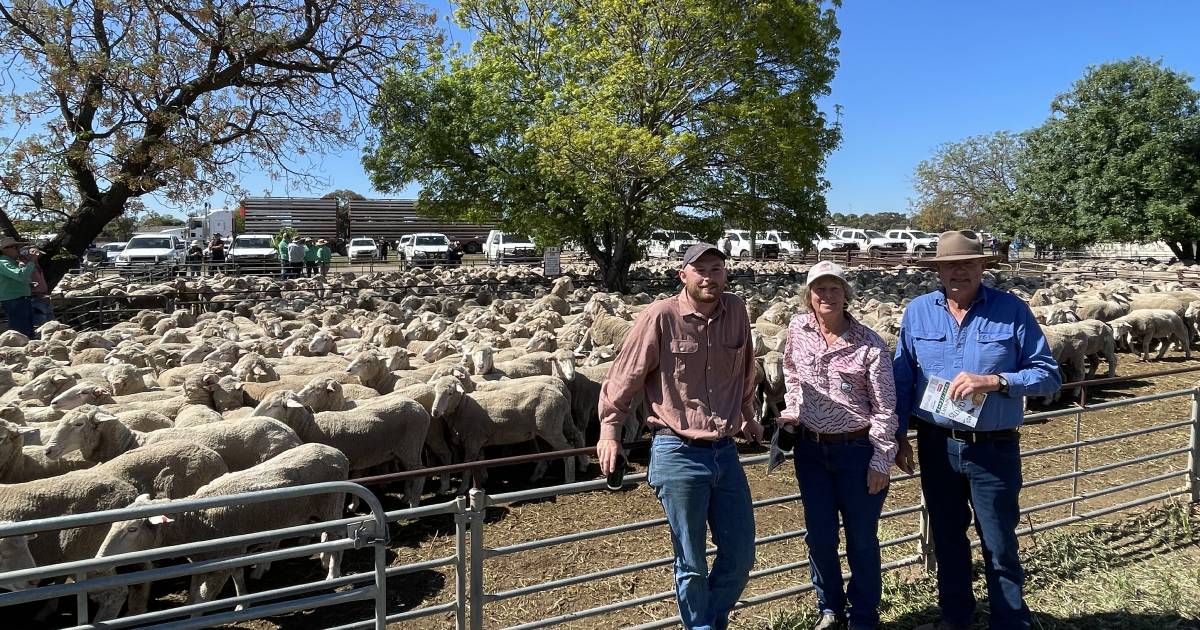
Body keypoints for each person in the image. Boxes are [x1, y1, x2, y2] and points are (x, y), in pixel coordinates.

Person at [893, 230, 1060, 630]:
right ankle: (956, 619)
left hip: (993, 448)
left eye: (968, 263)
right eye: (950, 265)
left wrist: (998, 382)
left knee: (999, 541)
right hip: (937, 444)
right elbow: (902, 377)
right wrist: (898, 434)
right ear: (937, 270)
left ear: (983, 266)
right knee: (948, 540)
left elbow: (1048, 376)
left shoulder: (1012, 310)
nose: (959, 271)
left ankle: (1009, 620)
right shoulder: (918, 312)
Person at [597, 243, 763, 630]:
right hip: (677, 449)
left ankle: (710, 620)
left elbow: (744, 367)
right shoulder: (659, 316)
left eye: (717, 268)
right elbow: (625, 375)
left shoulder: (736, 311)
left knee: (740, 556)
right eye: (700, 269)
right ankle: (703, 627)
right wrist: (609, 431)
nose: (709, 276)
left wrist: (748, 414)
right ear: (683, 275)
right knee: (690, 560)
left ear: (726, 273)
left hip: (725, 449)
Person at [777, 260, 897, 630]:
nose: (826, 296)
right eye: (819, 289)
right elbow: (791, 372)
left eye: (834, 289)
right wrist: (793, 409)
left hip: (857, 451)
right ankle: (829, 607)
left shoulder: (869, 343)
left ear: (847, 295)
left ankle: (863, 615)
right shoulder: (798, 328)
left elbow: (886, 406)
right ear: (809, 295)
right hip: (811, 450)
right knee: (820, 535)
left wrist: (881, 459)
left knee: (861, 538)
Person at [0, 236, 37, 338]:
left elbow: (17, 279)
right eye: (15, 247)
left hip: (19, 300)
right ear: (5, 249)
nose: (18, 249)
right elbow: (21, 276)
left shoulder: (11, 262)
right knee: (21, 333)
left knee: (26, 332)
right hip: (15, 301)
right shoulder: (3, 262)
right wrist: (32, 261)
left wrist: (27, 285)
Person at [21, 246, 53, 331]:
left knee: (51, 325)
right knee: (41, 326)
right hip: (35, 298)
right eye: (34, 254)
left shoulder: (36, 264)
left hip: (43, 297)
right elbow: (23, 279)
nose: (37, 256)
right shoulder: (23, 265)